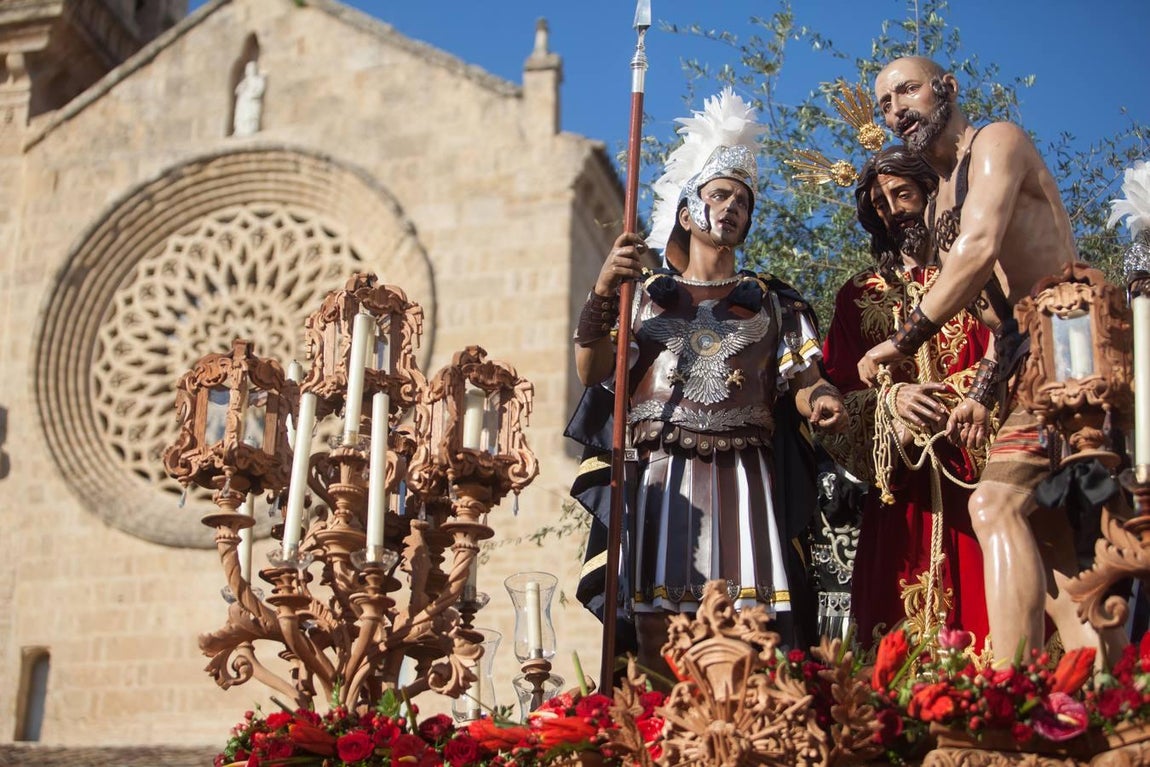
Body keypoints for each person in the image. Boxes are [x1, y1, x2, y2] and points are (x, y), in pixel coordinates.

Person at [572, 89, 848, 673]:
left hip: (745, 474)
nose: (732, 207)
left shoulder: (774, 303)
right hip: (662, 471)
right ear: (686, 212)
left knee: (752, 624)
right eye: (719, 194)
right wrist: (601, 292)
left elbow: (804, 379)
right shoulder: (643, 298)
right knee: (659, 622)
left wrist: (821, 398)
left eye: (742, 201)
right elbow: (593, 371)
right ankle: (661, 723)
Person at [856, 56, 1121, 661]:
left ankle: (1010, 682)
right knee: (1049, 541)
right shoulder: (939, 202)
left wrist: (902, 340)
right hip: (1026, 358)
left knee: (1001, 505)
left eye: (907, 91)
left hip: (1071, 335)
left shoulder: (997, 142)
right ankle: (1104, 684)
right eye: (885, 103)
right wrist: (981, 393)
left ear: (946, 88)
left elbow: (977, 251)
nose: (896, 110)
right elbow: (1001, 324)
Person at [819, 146, 991, 649]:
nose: (893, 210)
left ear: (933, 193)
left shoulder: (981, 277)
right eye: (880, 203)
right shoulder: (858, 295)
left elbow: (1011, 354)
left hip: (976, 481)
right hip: (901, 496)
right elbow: (838, 394)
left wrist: (948, 399)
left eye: (902, 194)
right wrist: (892, 403)